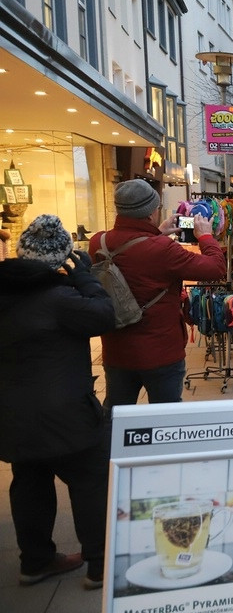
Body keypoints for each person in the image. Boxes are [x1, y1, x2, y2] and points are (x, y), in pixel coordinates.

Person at [0, 215, 115, 589]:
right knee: (90, 482)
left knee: (29, 483)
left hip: (14, 415)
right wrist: (84, 274)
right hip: (67, 415)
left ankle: (35, 561)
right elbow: (104, 314)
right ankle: (98, 565)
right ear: (62, 260)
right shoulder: (61, 298)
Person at [89, 179, 226, 414]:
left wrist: (156, 233)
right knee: (165, 417)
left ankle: (111, 451)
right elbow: (215, 268)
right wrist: (205, 236)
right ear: (152, 211)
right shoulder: (164, 250)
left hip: (117, 349)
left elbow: (133, 251)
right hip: (161, 351)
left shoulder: (98, 242)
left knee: (115, 414)